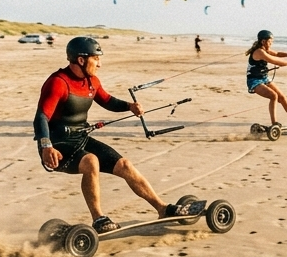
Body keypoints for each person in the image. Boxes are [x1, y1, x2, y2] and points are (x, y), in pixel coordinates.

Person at [35, 37, 204, 233]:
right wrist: (46, 146)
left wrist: (128, 106)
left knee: (125, 165)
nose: (100, 63)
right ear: (81, 60)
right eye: (96, 58)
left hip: (80, 139)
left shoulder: (92, 82)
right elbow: (41, 117)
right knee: (91, 161)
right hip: (57, 145)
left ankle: (162, 208)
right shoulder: (58, 82)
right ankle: (99, 219)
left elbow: (107, 100)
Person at [245, 30, 287, 127]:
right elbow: (275, 61)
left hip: (264, 78)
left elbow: (277, 54)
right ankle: (274, 123)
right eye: (270, 42)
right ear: (263, 42)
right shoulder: (259, 52)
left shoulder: (265, 50)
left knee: (282, 97)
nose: (271, 44)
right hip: (254, 81)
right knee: (273, 96)